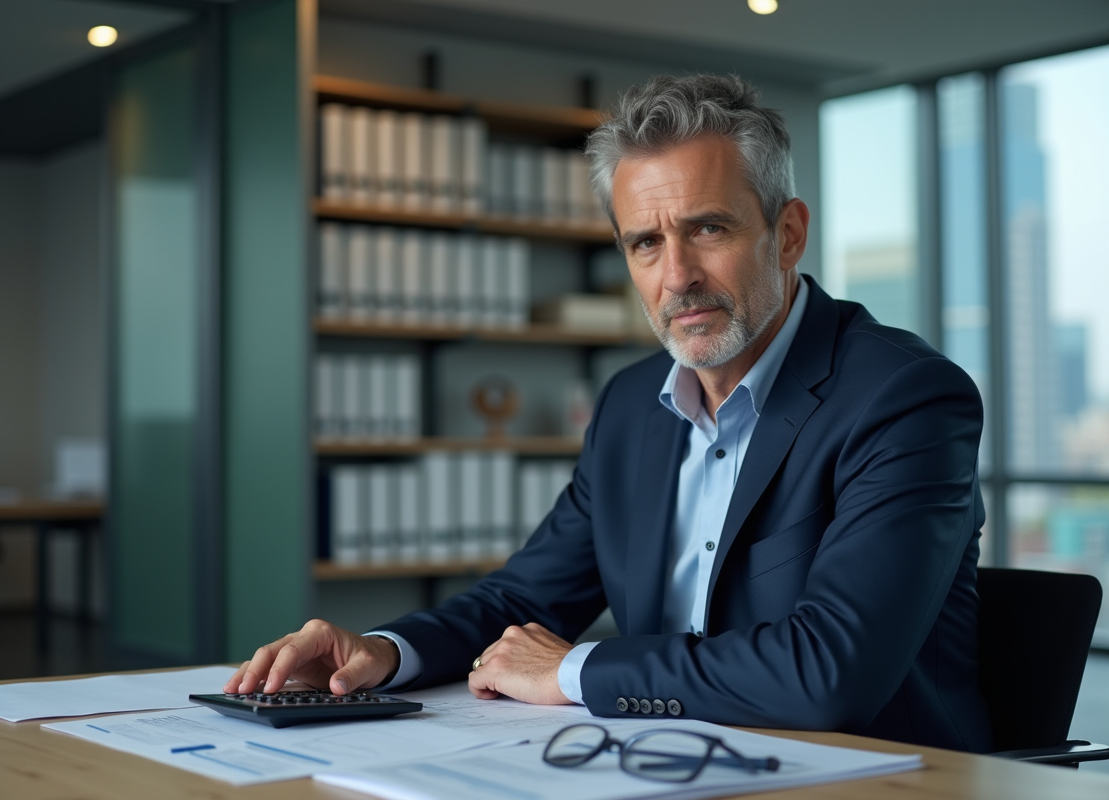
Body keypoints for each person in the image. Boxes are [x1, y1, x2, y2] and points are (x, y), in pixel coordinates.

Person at [226, 74, 992, 753]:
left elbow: (831, 671)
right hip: (663, 762)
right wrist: (386, 652)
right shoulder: (633, 402)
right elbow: (524, 598)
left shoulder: (905, 397)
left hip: (869, 777)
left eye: (708, 229)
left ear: (786, 234)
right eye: (646, 243)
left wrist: (570, 669)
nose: (678, 276)